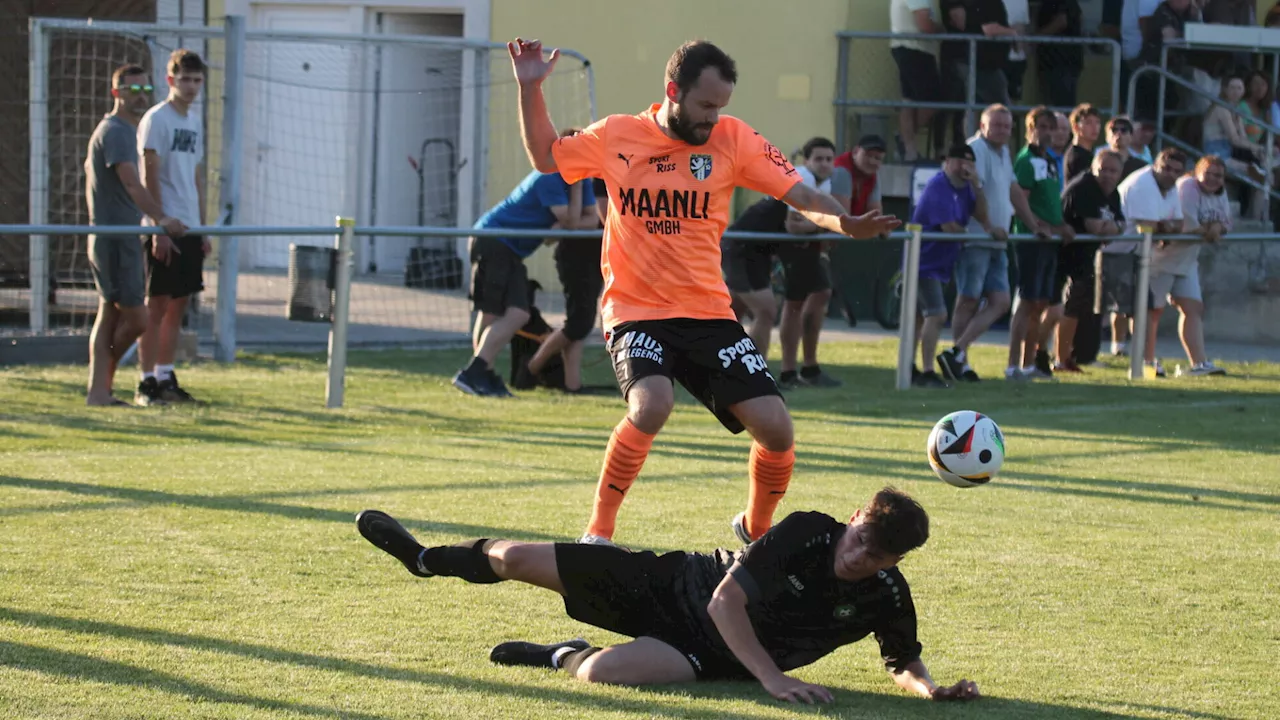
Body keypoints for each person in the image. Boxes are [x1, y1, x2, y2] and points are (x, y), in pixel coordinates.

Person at [508, 38, 900, 545]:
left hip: (709, 313)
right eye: (705, 106)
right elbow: (545, 157)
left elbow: (800, 193)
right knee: (651, 407)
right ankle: (598, 532)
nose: (714, 118)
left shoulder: (734, 140)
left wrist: (843, 222)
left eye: (722, 107)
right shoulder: (617, 135)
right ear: (673, 90)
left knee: (778, 432)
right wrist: (531, 87)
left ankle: (756, 533)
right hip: (636, 310)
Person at [355, 487, 980, 704]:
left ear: (895, 561)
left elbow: (902, 660)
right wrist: (772, 678)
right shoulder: (808, 531)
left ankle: (558, 653)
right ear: (852, 519)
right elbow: (724, 601)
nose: (857, 556)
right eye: (859, 539)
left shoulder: (887, 594)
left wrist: (930, 688)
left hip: (710, 658)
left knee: (599, 674)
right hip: (677, 583)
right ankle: (422, 558)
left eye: (875, 555)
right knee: (516, 558)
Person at [455, 133, 599, 397]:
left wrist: (571, 215)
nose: (587, 158)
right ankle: (476, 373)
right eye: (581, 152)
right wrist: (573, 200)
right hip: (494, 240)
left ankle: (478, 372)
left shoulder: (582, 177)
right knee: (504, 312)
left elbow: (591, 220)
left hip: (508, 249)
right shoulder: (550, 174)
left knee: (506, 313)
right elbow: (571, 221)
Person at [85, 65, 187, 407]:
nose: (139, 96)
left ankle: (99, 392)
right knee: (138, 318)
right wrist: (162, 219)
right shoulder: (116, 131)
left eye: (145, 90)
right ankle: (102, 382)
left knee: (111, 315)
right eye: (132, 90)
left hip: (121, 236)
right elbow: (131, 182)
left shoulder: (127, 130)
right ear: (116, 93)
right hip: (113, 237)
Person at [937, 105, 1045, 384]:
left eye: (1007, 127)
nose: (1003, 131)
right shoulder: (973, 150)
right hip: (975, 238)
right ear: (983, 126)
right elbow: (972, 193)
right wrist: (988, 226)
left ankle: (956, 352)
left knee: (1001, 301)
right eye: (997, 125)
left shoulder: (1004, 152)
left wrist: (1033, 225)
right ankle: (960, 363)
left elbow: (1013, 190)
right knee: (968, 299)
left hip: (998, 238)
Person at [135, 49, 207, 406]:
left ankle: (166, 375)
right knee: (156, 305)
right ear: (170, 80)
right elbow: (149, 173)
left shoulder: (194, 121)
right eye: (185, 80)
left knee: (179, 305)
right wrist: (157, 225)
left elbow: (197, 175)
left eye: (196, 80)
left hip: (190, 227)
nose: (191, 87)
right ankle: (146, 381)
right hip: (165, 225)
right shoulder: (157, 119)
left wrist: (205, 228)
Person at [516, 130, 605, 395]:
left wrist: (580, 222)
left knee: (582, 322)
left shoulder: (590, 176)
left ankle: (572, 384)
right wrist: (579, 220)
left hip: (594, 256)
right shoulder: (566, 178)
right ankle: (531, 368)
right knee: (578, 323)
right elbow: (582, 221)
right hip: (575, 257)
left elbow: (589, 221)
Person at [911, 144, 989, 389]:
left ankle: (910, 368)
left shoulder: (965, 188)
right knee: (936, 314)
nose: (964, 166)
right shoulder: (938, 186)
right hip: (923, 262)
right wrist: (972, 235)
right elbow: (949, 227)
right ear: (947, 161)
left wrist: (977, 184)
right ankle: (926, 371)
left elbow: (983, 215)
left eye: (969, 162)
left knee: (918, 318)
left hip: (941, 264)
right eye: (959, 161)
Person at [1007, 107, 1074, 382]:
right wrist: (1036, 226)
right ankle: (1013, 364)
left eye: (1054, 128)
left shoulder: (1049, 161)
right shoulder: (1026, 160)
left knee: (1040, 303)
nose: (1049, 133)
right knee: (1026, 301)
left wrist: (1059, 226)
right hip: (1031, 239)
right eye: (1043, 127)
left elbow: (1048, 203)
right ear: (1030, 128)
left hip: (1048, 239)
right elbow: (1020, 199)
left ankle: (1029, 362)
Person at [776, 137, 845, 389]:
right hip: (766, 244)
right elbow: (794, 226)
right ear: (807, 161)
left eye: (829, 159)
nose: (825, 164)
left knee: (820, 292)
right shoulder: (801, 178)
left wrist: (822, 225)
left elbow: (808, 224)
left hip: (801, 248)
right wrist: (828, 225)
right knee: (788, 306)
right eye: (819, 159)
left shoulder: (822, 182)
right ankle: (787, 372)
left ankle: (808, 367)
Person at [1158, 155, 1230, 376]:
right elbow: (1187, 224)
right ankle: (1146, 361)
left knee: (1193, 308)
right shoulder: (1187, 187)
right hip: (1161, 258)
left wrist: (1216, 226)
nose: (1212, 179)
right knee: (1151, 311)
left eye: (1218, 175)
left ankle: (1198, 364)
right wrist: (1210, 229)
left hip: (1187, 260)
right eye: (1207, 173)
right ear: (1196, 172)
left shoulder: (1220, 192)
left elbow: (1226, 223)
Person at [1118, 148, 1186, 377]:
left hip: (1137, 255)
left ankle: (1143, 362)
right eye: (1166, 168)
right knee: (1083, 308)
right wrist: (1164, 227)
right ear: (1155, 165)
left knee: (1143, 309)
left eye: (1177, 171)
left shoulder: (1170, 186)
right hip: (1115, 253)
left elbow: (1178, 223)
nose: (1171, 174)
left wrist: (1163, 227)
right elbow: (1148, 226)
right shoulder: (1143, 184)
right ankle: (1062, 359)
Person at [1058, 150, 1126, 371]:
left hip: (1088, 256)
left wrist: (1108, 229)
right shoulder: (1085, 187)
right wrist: (1109, 228)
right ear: (1094, 169)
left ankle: (1076, 356)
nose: (1107, 175)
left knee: (1083, 307)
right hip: (1065, 255)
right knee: (1067, 307)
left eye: (1112, 170)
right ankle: (1060, 358)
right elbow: (1095, 227)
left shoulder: (1112, 193)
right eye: (1102, 169)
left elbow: (1121, 225)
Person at [940, 0, 1015, 146]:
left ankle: (979, 147)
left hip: (989, 64)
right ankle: (974, 147)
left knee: (978, 107)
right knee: (999, 109)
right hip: (974, 62)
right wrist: (1012, 33)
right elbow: (986, 28)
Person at [889, 0, 944, 162]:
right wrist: (945, 29)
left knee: (909, 99)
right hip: (914, 50)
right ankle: (905, 138)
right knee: (933, 101)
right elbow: (925, 25)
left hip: (912, 49)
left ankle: (908, 149)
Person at [1035, 0, 1085, 109]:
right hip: (1063, 62)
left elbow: (1061, 22)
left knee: (1059, 108)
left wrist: (1036, 37)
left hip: (1058, 62)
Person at [1064, 103, 1103, 182]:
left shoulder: (1090, 153)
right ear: (1076, 127)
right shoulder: (1076, 157)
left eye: (1097, 122)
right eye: (1088, 122)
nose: (1094, 127)